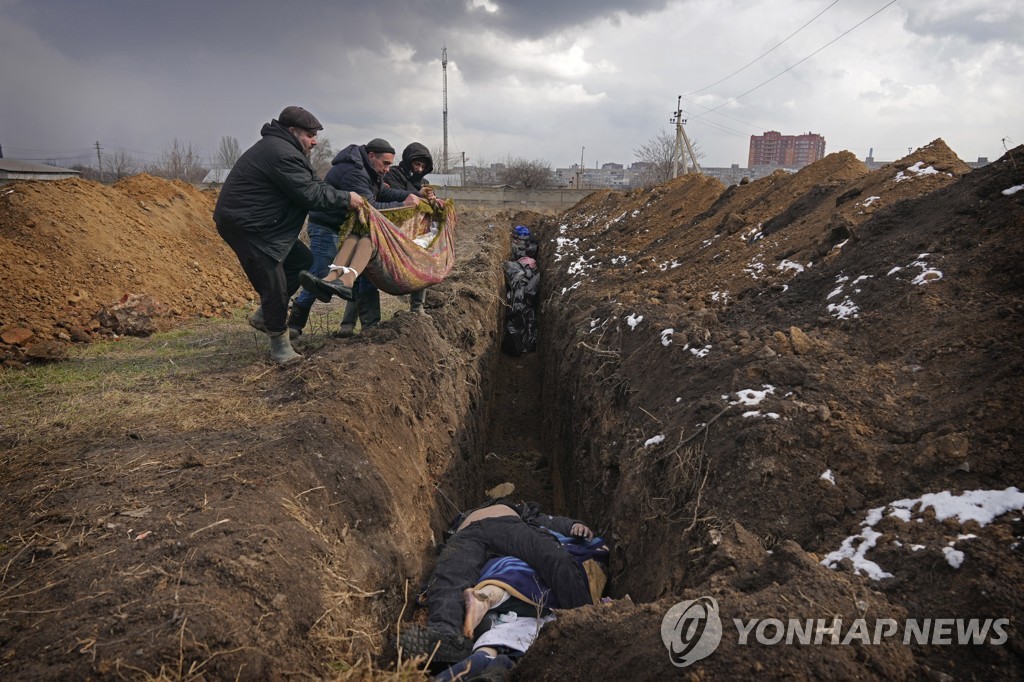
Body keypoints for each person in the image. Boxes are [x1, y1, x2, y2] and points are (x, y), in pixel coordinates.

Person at [213, 106, 365, 365]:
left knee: (302, 263)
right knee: (274, 283)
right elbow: (309, 195)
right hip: (249, 226)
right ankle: (279, 346)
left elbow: (314, 184)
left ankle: (264, 316)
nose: (314, 140)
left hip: (267, 225)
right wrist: (345, 198)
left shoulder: (290, 151)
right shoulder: (281, 153)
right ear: (292, 131)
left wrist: (340, 194)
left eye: (315, 134)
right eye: (310, 134)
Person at [399, 500, 596, 664]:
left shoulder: (519, 509)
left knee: (555, 558)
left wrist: (573, 525)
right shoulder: (462, 519)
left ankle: (585, 622)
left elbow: (551, 522)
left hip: (507, 526)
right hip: (467, 534)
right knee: (449, 576)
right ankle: (444, 637)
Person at [286, 138, 420, 338]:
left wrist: (411, 195)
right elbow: (370, 208)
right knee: (320, 274)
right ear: (372, 156)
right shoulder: (355, 173)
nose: (388, 169)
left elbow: (384, 191)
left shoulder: (370, 171)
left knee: (365, 274)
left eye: (391, 164)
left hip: (347, 229)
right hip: (327, 227)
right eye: (385, 163)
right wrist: (404, 206)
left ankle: (370, 326)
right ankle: (294, 325)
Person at [383, 142, 440, 316]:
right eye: (417, 164)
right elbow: (392, 194)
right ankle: (350, 322)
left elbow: (426, 205)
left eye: (423, 166)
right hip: (391, 232)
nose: (420, 169)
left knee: (422, 262)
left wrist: (432, 199)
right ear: (409, 162)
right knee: (370, 274)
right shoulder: (393, 175)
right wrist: (418, 193)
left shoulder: (424, 182)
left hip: (416, 233)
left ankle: (417, 308)